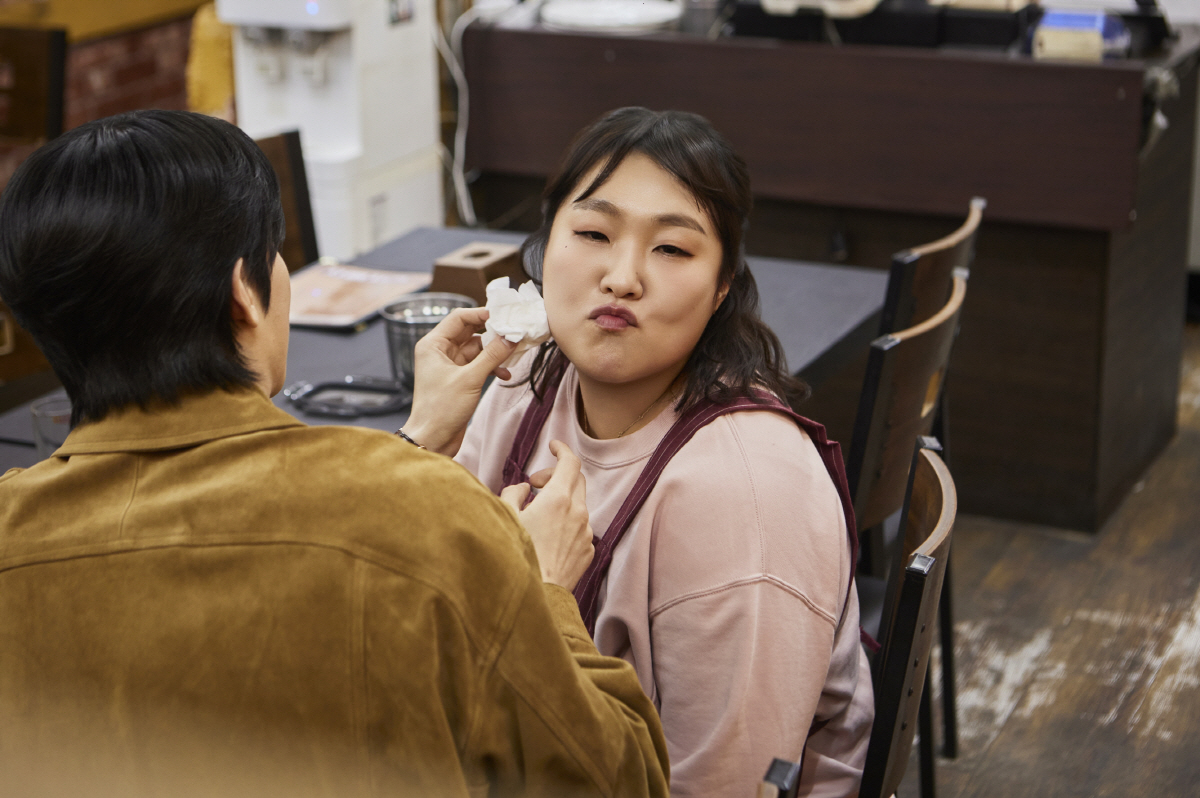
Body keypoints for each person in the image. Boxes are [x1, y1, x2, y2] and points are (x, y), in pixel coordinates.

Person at [0, 110, 668, 797]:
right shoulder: (430, 517)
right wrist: (546, 592)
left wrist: (413, 444)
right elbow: (617, 778)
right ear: (243, 296)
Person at [454, 108, 874, 797]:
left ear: (721, 290)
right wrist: (426, 438)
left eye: (672, 250)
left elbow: (723, 782)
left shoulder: (744, 497)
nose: (622, 277)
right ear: (543, 247)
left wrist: (542, 600)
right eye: (592, 233)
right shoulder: (518, 389)